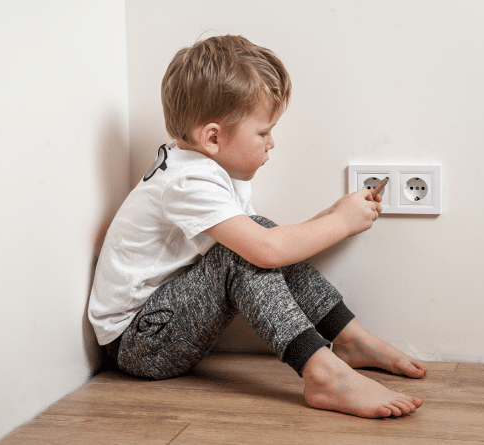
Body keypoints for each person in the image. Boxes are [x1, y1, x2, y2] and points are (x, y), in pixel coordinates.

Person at [88, 34, 427, 418]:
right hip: (138, 342)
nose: (272, 143)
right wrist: (340, 224)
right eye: (263, 132)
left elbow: (268, 242)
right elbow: (264, 251)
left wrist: (333, 213)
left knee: (256, 231)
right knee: (245, 253)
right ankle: (323, 373)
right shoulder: (187, 182)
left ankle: (350, 339)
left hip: (161, 322)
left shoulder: (205, 168)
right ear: (213, 137)